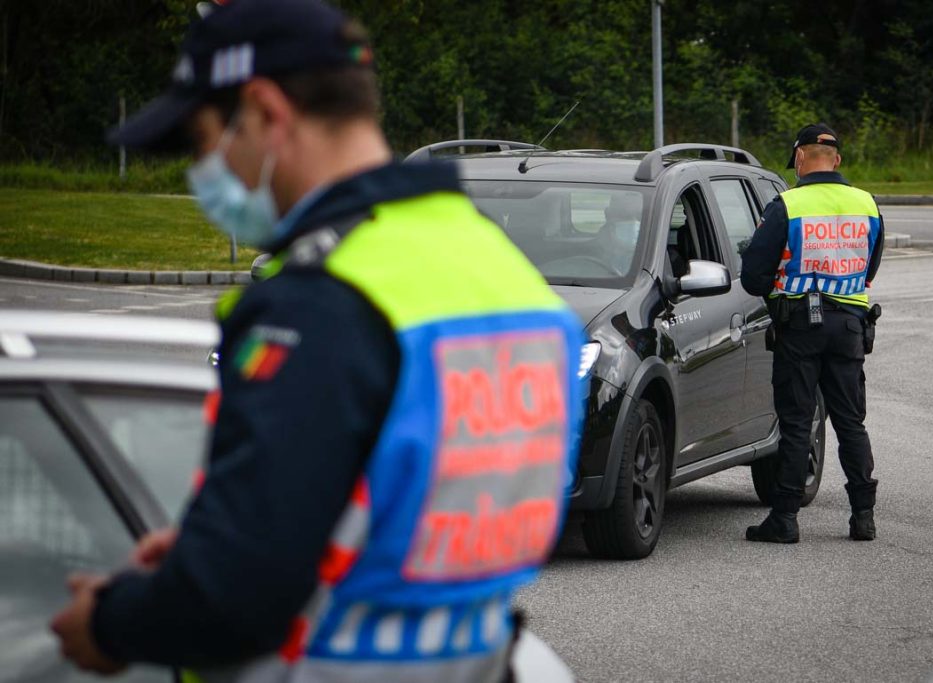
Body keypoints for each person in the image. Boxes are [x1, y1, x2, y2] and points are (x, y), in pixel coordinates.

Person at [49, 1, 584, 681]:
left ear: (266, 113)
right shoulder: (501, 270)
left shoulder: (319, 299)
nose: (200, 170)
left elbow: (235, 591)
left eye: (202, 141)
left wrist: (110, 620)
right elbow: (382, 503)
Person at [739, 123, 884, 544]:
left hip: (800, 326)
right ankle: (863, 518)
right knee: (851, 422)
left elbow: (753, 277)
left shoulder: (787, 205)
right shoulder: (867, 204)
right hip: (850, 326)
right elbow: (869, 267)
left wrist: (782, 288)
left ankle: (784, 520)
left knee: (798, 421)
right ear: (837, 159)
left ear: (799, 159)